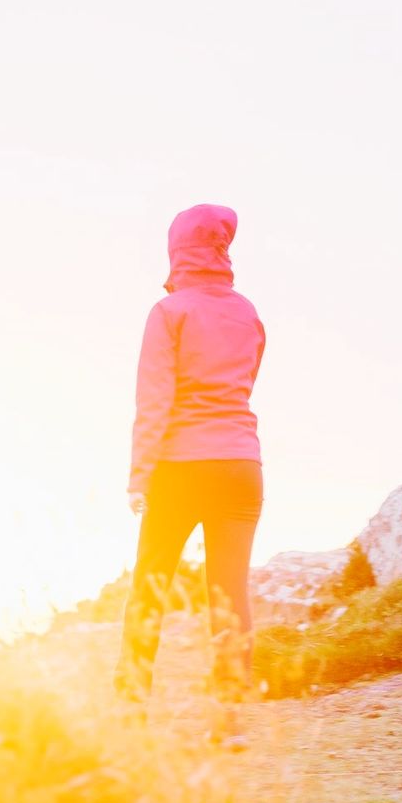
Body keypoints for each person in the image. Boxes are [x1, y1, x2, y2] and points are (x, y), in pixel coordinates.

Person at [114, 203, 266, 708]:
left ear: (177, 253)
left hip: (180, 466)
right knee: (229, 591)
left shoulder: (169, 313)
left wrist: (139, 477)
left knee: (150, 586)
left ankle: (131, 705)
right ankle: (232, 715)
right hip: (242, 465)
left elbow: (154, 400)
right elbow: (243, 384)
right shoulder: (247, 313)